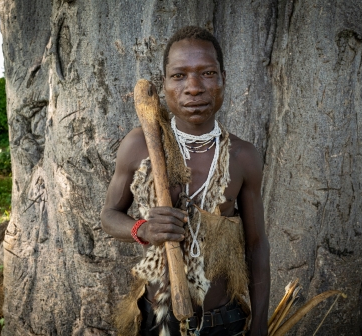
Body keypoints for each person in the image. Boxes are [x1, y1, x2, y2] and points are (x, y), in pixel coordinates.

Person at [101, 26, 270, 336]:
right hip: (156, 319)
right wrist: (144, 230)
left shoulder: (243, 157)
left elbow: (257, 246)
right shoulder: (140, 144)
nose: (194, 87)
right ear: (164, 84)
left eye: (207, 73)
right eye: (179, 76)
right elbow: (109, 216)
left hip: (224, 323)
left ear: (223, 78)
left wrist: (259, 325)